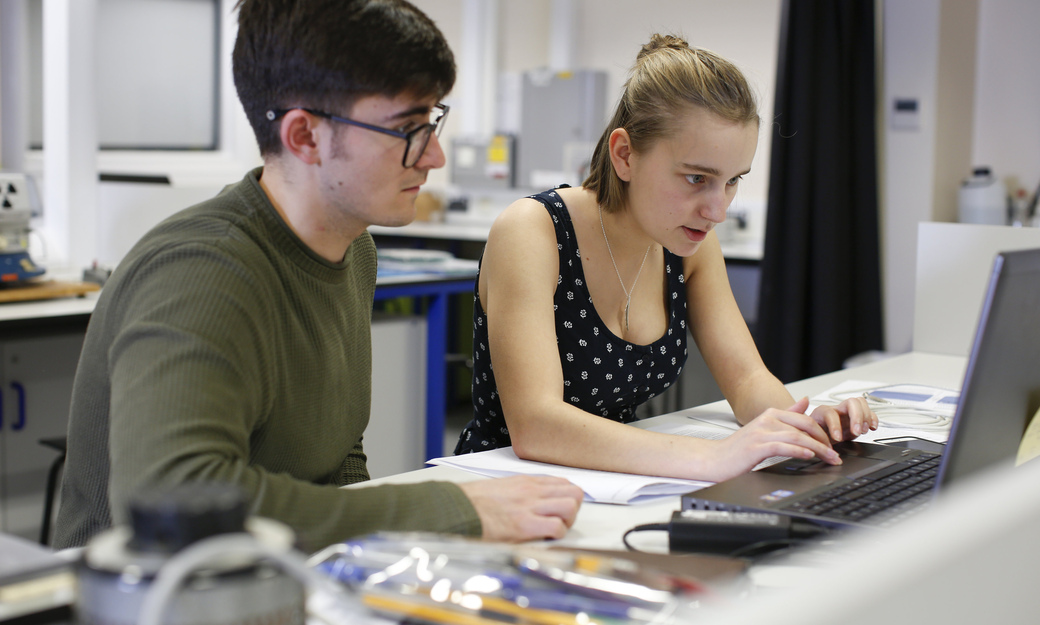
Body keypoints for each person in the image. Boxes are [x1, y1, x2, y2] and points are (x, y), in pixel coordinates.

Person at [53, 0, 582, 552]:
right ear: (304, 136)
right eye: (407, 128)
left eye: (431, 123)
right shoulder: (201, 272)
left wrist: (380, 561)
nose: (436, 157)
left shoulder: (355, 251)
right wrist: (447, 512)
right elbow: (172, 498)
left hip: (277, 581)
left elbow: (335, 459)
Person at [454, 35, 878, 482]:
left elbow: (748, 380)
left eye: (733, 181)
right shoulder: (533, 230)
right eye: (697, 178)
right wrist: (711, 457)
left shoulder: (687, 243)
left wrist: (804, 427)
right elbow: (536, 426)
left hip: (611, 481)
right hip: (501, 484)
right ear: (625, 156)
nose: (718, 211)